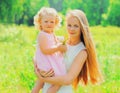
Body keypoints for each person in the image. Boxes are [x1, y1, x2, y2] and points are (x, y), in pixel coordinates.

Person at [35, 9, 103, 93]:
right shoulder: (60, 41)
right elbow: (40, 53)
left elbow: (68, 79)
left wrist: (43, 78)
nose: (71, 29)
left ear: (82, 28)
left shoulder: (82, 51)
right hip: (46, 89)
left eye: (76, 26)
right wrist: (37, 69)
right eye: (69, 25)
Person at [32, 7, 67, 93]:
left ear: (56, 23)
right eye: (46, 21)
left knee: (39, 83)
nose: (49, 24)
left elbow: (53, 41)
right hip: (46, 64)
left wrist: (60, 40)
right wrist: (58, 48)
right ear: (40, 22)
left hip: (47, 62)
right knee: (58, 81)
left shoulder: (51, 33)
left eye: (52, 22)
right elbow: (45, 50)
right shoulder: (42, 35)